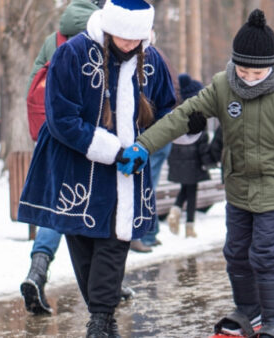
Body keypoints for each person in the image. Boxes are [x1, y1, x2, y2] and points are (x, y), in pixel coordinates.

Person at [117, 9, 274, 337]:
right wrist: (143, 145)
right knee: (237, 253)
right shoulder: (224, 86)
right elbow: (182, 116)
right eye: (243, 70)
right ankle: (249, 311)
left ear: (271, 65)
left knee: (267, 254)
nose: (249, 78)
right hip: (238, 187)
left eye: (257, 72)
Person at [17, 0, 176, 335]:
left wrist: (142, 146)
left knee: (115, 241)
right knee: (82, 240)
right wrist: (112, 150)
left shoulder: (153, 61)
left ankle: (101, 320)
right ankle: (101, 317)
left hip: (128, 171)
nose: (131, 44)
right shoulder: (72, 54)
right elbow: (61, 118)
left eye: (138, 37)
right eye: (124, 36)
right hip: (76, 165)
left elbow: (166, 112)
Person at [19, 0, 100, 316]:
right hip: (91, 138)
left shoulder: (54, 39)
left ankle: (37, 271)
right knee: (98, 208)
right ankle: (104, 285)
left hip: (54, 135)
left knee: (60, 206)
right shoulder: (105, 34)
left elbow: (33, 84)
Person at [133, 29, 183, 252]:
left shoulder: (150, 59)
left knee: (145, 184)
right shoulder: (161, 57)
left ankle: (145, 233)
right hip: (162, 132)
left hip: (151, 134)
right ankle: (149, 232)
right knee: (147, 184)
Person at [165, 73, 210, 238]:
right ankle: (189, 227)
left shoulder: (176, 111)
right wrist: (207, 161)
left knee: (186, 188)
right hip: (194, 159)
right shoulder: (198, 113)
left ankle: (176, 210)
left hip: (177, 158)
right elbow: (203, 141)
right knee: (192, 191)